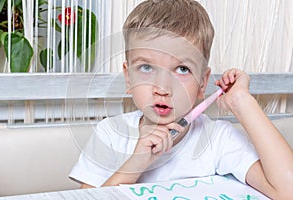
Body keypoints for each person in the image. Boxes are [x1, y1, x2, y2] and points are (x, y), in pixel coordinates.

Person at [69, 0, 293, 198]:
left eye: (182, 69)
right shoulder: (109, 134)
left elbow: (288, 191)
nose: (163, 88)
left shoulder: (218, 139)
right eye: (146, 67)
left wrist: (242, 102)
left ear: (203, 83)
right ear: (128, 78)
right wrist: (134, 166)